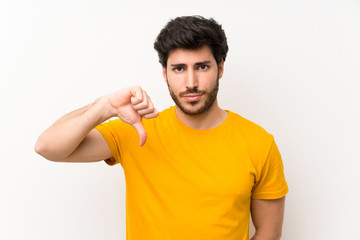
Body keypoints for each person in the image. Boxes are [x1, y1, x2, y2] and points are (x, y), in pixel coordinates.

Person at [35, 15, 288, 240]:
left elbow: (269, 232)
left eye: (202, 66)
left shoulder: (259, 143)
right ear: (165, 74)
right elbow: (47, 147)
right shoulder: (136, 130)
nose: (191, 83)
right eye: (179, 68)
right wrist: (105, 107)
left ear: (220, 68)